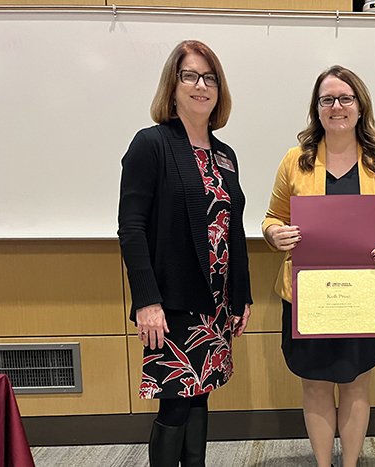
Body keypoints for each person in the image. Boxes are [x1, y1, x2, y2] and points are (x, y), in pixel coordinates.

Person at [262, 65, 375, 467]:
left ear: (360, 107)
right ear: (317, 109)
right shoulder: (296, 161)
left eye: (345, 98)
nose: (337, 106)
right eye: (327, 99)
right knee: (314, 385)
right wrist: (274, 235)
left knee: (356, 385)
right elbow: (271, 218)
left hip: (364, 295)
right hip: (309, 295)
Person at [117, 40, 252, 467]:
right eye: (189, 75)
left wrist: (240, 296)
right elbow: (131, 228)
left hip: (213, 304)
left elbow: (235, 228)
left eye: (209, 77)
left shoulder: (225, 155)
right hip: (171, 303)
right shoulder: (151, 144)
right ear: (172, 86)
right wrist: (146, 301)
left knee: (199, 396)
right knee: (175, 402)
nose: (200, 85)